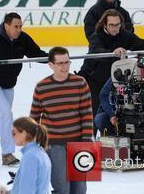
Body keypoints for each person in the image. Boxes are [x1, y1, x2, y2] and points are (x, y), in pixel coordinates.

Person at [79, 9, 144, 124]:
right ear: (105, 25)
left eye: (117, 25)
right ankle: (91, 140)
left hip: (116, 78)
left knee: (121, 111)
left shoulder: (124, 35)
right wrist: (113, 52)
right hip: (95, 79)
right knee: (95, 115)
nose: (115, 28)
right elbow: (96, 51)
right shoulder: (97, 36)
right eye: (111, 25)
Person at [0, 12, 47, 165]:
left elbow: (35, 53)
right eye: (15, 26)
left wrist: (51, 57)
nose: (18, 29)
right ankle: (7, 153)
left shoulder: (23, 38)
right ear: (6, 26)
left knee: (3, 116)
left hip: (8, 82)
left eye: (20, 26)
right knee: (6, 113)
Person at [30, 47, 93, 194]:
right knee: (62, 188)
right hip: (53, 143)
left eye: (67, 62)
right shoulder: (42, 86)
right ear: (51, 65)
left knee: (80, 189)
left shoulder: (80, 83)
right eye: (60, 63)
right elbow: (34, 117)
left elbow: (87, 113)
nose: (65, 67)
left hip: (78, 142)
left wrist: (86, 140)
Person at [95, 74, 144, 145]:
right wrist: (111, 115)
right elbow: (104, 95)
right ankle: (117, 145)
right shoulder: (119, 72)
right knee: (100, 119)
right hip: (119, 117)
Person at [11, 117, 51, 194]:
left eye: (14, 133)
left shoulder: (30, 156)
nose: (12, 136)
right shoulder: (39, 152)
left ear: (24, 133)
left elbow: (27, 190)